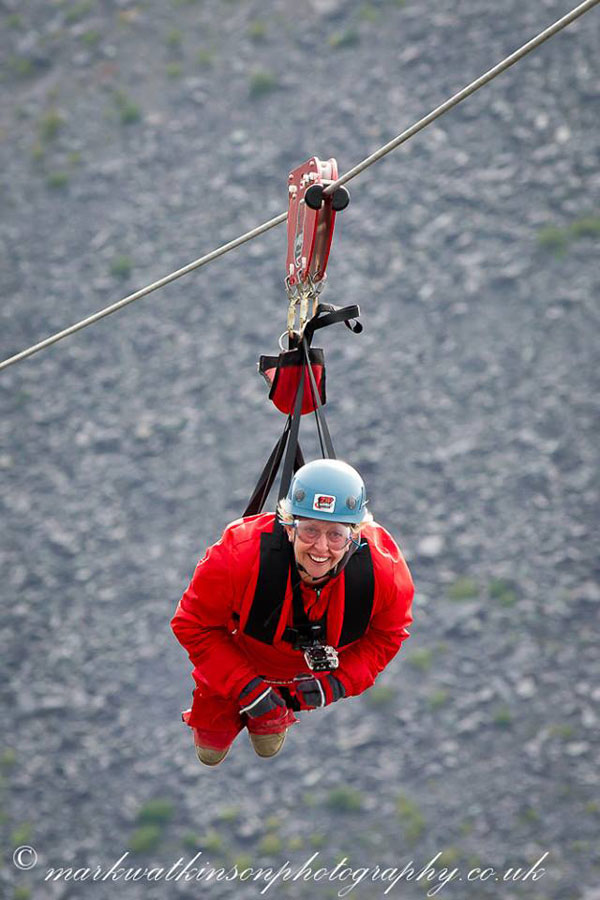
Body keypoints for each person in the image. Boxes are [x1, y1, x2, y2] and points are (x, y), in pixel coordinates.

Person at [171, 459, 414, 766]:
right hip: (233, 664)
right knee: (210, 751)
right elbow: (192, 624)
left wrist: (338, 684)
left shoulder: (384, 572)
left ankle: (270, 717)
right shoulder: (237, 556)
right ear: (288, 528)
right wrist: (249, 690)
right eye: (309, 530)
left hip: (302, 683)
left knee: (266, 747)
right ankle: (245, 711)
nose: (321, 548)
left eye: (336, 535)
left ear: (355, 535)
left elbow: (388, 636)